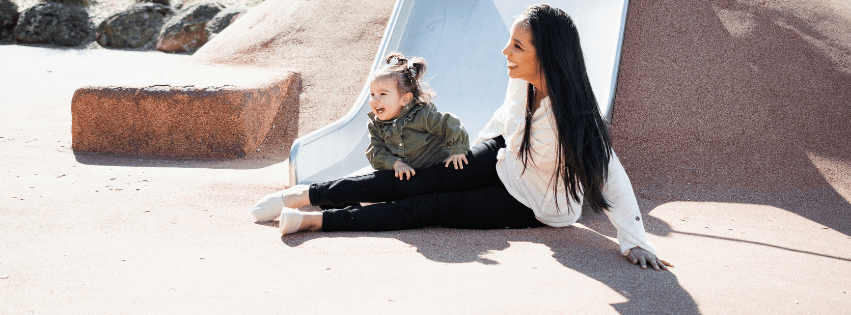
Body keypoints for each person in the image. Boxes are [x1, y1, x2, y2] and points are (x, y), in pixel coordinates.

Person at [251, 4, 669, 270]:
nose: (506, 52)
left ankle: (316, 220)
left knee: (427, 207)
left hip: (532, 201)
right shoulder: (522, 84)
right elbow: (503, 122)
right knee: (421, 177)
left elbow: (610, 175)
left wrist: (634, 242)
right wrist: (463, 160)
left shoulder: (575, 117)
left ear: (547, 55)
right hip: (503, 157)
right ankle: (305, 194)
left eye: (517, 47)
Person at [364, 53, 470, 181]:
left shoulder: (422, 114)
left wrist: (457, 151)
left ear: (405, 99)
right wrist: (396, 164)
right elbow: (376, 151)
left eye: (382, 94)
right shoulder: (375, 125)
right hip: (412, 178)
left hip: (440, 168)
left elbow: (449, 124)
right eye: (372, 94)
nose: (375, 100)